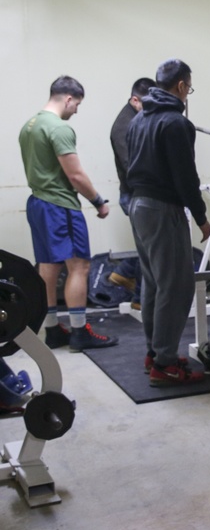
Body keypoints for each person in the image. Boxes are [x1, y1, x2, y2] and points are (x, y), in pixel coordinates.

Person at [125, 59, 210, 386]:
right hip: (162, 208)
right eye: (189, 87)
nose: (188, 93)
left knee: (153, 283)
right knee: (176, 286)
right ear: (180, 86)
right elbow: (185, 177)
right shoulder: (175, 123)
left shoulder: (138, 120)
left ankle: (155, 353)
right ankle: (164, 363)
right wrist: (201, 217)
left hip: (138, 205)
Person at [19, 75, 119, 352]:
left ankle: (51, 330)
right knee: (79, 266)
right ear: (68, 98)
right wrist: (98, 201)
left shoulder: (29, 125)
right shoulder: (58, 128)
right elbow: (74, 175)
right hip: (60, 205)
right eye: (77, 105)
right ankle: (78, 332)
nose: (76, 111)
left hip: (38, 203)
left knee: (48, 267)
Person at [108, 77, 156, 309]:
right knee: (150, 248)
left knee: (148, 246)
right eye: (148, 104)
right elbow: (132, 167)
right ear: (135, 100)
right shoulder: (124, 126)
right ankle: (127, 276)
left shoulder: (137, 118)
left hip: (139, 192)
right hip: (135, 194)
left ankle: (135, 291)